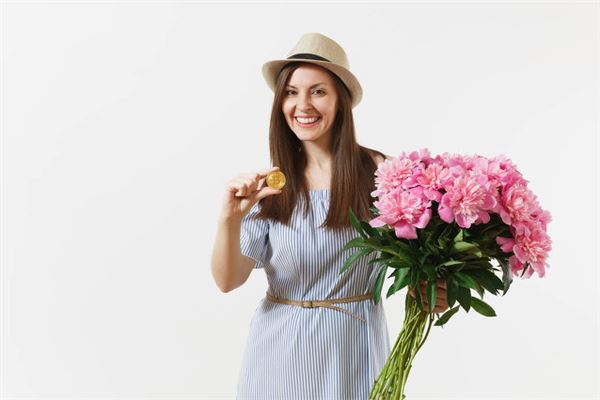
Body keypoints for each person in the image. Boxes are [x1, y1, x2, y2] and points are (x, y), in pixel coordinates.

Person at [211, 32, 449, 400]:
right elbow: (228, 280)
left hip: (353, 349)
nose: (302, 105)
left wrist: (432, 286)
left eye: (318, 91)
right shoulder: (271, 185)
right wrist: (229, 218)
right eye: (291, 92)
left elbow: (424, 254)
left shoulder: (381, 173)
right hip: (279, 355)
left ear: (341, 100)